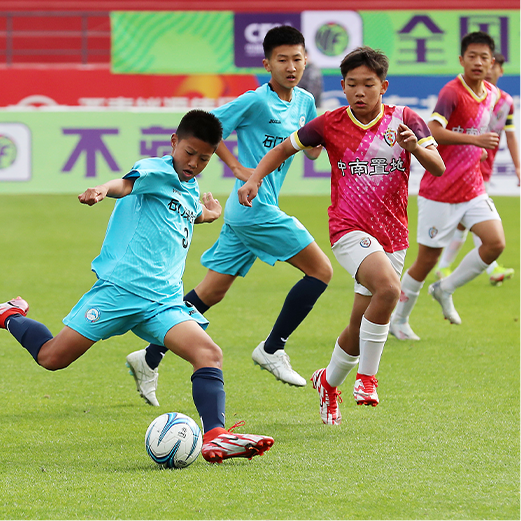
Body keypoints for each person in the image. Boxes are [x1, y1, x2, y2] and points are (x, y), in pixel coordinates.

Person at [0, 110, 274, 464]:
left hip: (163, 303)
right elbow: (126, 185)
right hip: (119, 293)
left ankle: (215, 437)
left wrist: (212, 213)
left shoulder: (189, 189)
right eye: (189, 153)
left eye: (204, 159)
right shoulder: (156, 171)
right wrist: (103, 189)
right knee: (52, 358)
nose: (194, 163)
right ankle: (10, 315)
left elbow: (192, 213)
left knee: (209, 354)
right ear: (174, 142)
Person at [127, 25, 332, 406]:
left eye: (297, 59)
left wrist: (323, 129)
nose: (291, 67)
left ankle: (148, 357)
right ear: (267, 64)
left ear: (306, 61)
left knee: (211, 292)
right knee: (321, 271)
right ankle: (273, 347)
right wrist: (237, 167)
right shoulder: (255, 101)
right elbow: (207, 127)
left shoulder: (305, 100)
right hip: (254, 208)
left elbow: (312, 152)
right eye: (282, 60)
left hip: (247, 210)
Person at [238, 46, 444, 424]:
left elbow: (438, 166)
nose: (359, 92)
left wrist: (415, 147)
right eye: (351, 84)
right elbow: (284, 149)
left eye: (368, 84)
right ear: (343, 86)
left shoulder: (405, 120)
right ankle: (367, 378)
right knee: (389, 290)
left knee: (359, 324)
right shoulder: (329, 123)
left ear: (383, 86)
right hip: (348, 230)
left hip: (392, 235)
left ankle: (328, 383)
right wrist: (254, 179)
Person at [390, 31, 506, 342]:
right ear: (461, 59)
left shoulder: (493, 94)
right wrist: (475, 141)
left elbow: (482, 128)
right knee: (426, 260)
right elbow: (433, 131)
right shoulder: (451, 92)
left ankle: (445, 288)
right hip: (440, 191)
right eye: (472, 56)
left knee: (495, 243)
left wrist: (478, 150)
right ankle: (398, 320)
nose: (478, 62)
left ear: (492, 62)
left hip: (472, 188)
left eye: (484, 57)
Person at [434, 52, 519, 286]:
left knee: (466, 221)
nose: (488, 70)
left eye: (493, 65)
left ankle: (443, 267)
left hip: (485, 167)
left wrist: (518, 167)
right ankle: (491, 268)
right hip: (462, 166)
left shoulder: (505, 102)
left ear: (500, 69)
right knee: (478, 218)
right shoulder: (459, 94)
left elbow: (510, 135)